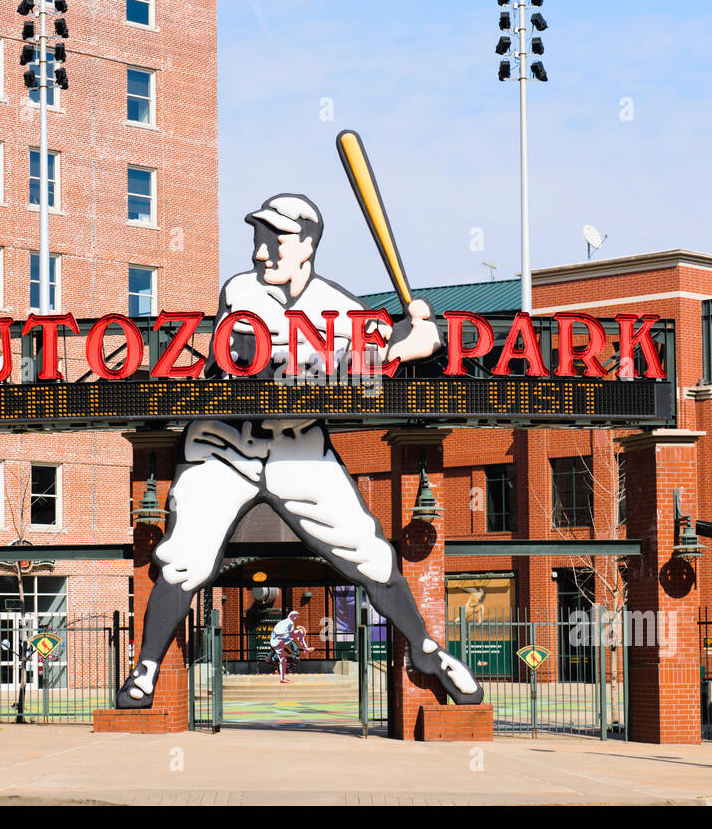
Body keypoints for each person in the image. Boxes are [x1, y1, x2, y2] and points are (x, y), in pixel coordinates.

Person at [116, 193, 484, 708]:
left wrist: (424, 336)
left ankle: (426, 651)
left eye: (276, 239)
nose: (262, 252)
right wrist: (393, 344)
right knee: (184, 561)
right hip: (225, 442)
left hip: (299, 447)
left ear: (308, 244)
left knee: (371, 555)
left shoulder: (339, 305)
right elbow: (259, 360)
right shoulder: (242, 290)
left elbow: (384, 358)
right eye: (258, 238)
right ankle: (147, 669)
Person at [269, 610, 312, 682]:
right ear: (292, 616)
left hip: (275, 640)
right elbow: (288, 634)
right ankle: (305, 648)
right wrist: (299, 634)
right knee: (300, 633)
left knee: (283, 660)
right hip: (279, 640)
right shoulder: (290, 623)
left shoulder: (282, 622)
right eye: (296, 616)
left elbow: (277, 631)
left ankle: (282, 678)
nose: (296, 618)